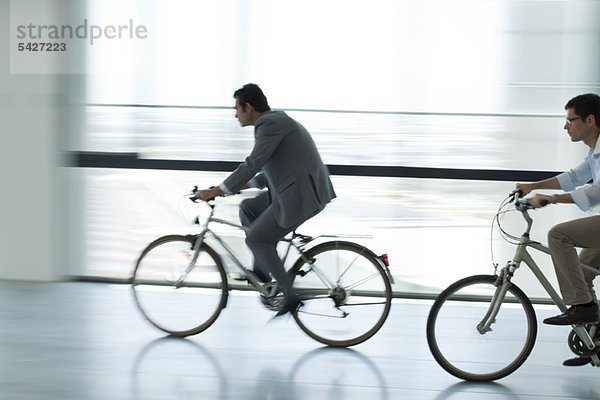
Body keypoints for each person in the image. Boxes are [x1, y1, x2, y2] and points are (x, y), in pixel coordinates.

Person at [194, 83, 336, 316]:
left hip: (301, 196)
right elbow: (272, 167)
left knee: (257, 240)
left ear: (248, 107)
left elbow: (253, 163)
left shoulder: (268, 125)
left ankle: (290, 297)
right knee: (249, 208)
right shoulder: (275, 121)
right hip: (296, 190)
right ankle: (262, 272)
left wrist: (217, 190)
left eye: (237, 108)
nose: (235, 114)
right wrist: (242, 186)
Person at [516, 93, 600, 366]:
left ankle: (582, 308)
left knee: (558, 234)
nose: (566, 127)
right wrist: (532, 186)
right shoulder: (594, 152)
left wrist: (550, 199)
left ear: (590, 120)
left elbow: (596, 191)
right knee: (583, 270)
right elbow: (574, 178)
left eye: (570, 120)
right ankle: (595, 344)